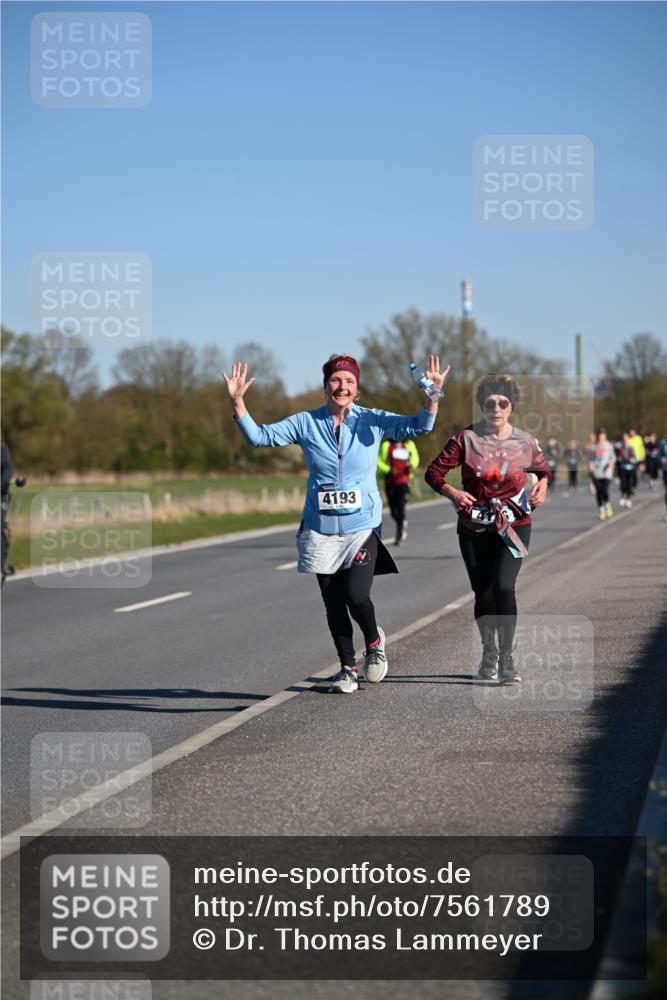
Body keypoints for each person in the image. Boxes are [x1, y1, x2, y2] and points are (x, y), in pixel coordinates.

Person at [224, 353, 449, 693]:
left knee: (357, 596)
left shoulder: (372, 419)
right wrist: (238, 402)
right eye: (335, 380)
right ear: (325, 385)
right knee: (333, 603)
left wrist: (433, 396)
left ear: (357, 389)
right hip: (320, 528)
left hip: (362, 526)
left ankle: (374, 644)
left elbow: (418, 426)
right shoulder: (306, 422)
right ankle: (346, 668)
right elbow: (260, 437)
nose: (341, 386)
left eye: (349, 381)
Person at [425, 373, 551, 685]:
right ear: (482, 406)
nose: (496, 408)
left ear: (512, 406)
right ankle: (489, 652)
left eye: (502, 403)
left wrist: (544, 483)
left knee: (504, 587)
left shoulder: (525, 441)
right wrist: (452, 492)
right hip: (474, 527)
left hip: (514, 525)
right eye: (489, 403)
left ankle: (507, 656)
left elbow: (545, 469)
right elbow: (433, 473)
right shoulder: (465, 439)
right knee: (483, 593)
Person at [377, 437, 420, 545]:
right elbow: (378, 461)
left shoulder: (409, 443)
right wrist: (388, 470)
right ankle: (401, 522)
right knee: (393, 511)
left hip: (404, 480)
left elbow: (415, 458)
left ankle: (399, 534)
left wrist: (412, 466)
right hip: (390, 481)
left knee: (401, 508)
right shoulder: (386, 445)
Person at [587, 428, 615, 520]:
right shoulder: (593, 446)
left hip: (606, 472)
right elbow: (590, 459)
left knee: (605, 490)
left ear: (605, 435)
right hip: (596, 472)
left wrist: (611, 464)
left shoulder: (608, 445)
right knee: (598, 491)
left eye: (602, 434)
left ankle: (607, 504)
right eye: (599, 434)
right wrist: (590, 468)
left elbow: (613, 457)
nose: (601, 436)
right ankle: (601, 510)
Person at [618, 433, 638, 507]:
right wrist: (619, 459)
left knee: (629, 484)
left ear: (628, 439)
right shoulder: (620, 448)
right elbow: (618, 457)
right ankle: (623, 496)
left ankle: (628, 499)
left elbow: (636, 458)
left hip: (630, 468)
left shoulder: (632, 447)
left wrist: (632, 460)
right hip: (623, 467)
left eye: (626, 438)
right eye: (623, 438)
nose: (625, 440)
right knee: (623, 483)